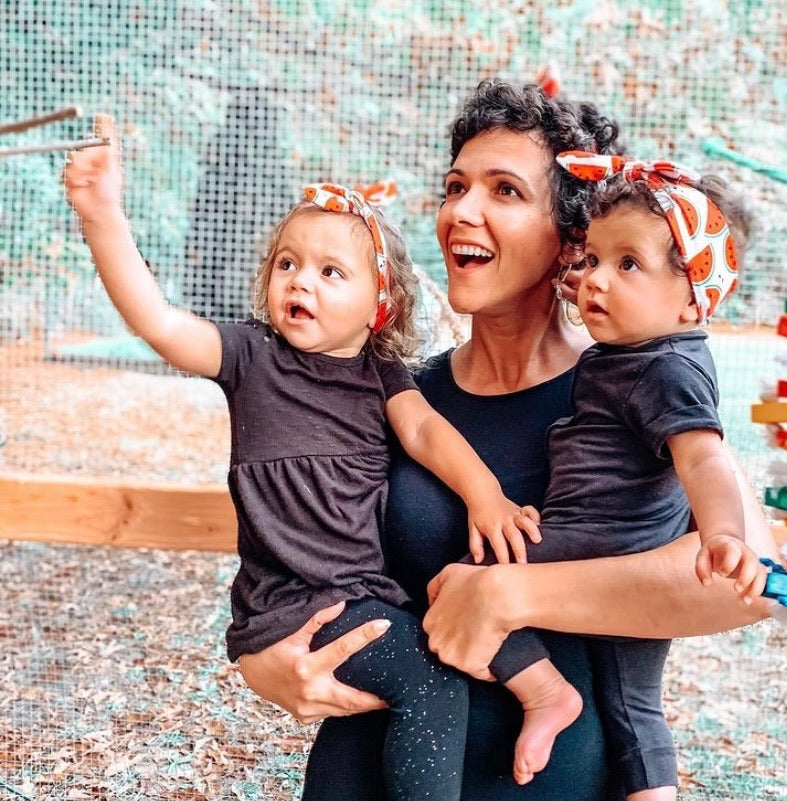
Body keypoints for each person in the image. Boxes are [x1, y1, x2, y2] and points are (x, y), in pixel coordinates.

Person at [215, 79, 778, 801]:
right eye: (456, 187)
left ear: (573, 239)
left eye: (505, 190)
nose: (461, 211)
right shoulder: (396, 394)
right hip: (363, 775)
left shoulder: (635, 385)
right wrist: (263, 660)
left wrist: (512, 593)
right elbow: (286, 537)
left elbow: (750, 581)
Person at [61, 116, 549, 801]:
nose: (300, 282)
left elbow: (426, 433)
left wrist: (485, 495)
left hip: (361, 594)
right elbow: (159, 322)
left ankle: (545, 694)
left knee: (445, 639)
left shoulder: (382, 375)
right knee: (433, 678)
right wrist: (102, 217)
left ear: (379, 304)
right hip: (297, 604)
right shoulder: (251, 357)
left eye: (330, 271)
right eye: (287, 264)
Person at [467, 149, 765, 799]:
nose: (595, 280)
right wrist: (595, 281)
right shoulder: (640, 347)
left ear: (693, 299)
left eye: (628, 264)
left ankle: (545, 694)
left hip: (601, 537)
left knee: (465, 577)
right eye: (593, 259)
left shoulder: (667, 367)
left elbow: (704, 456)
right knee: (635, 706)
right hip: (624, 550)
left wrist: (725, 535)